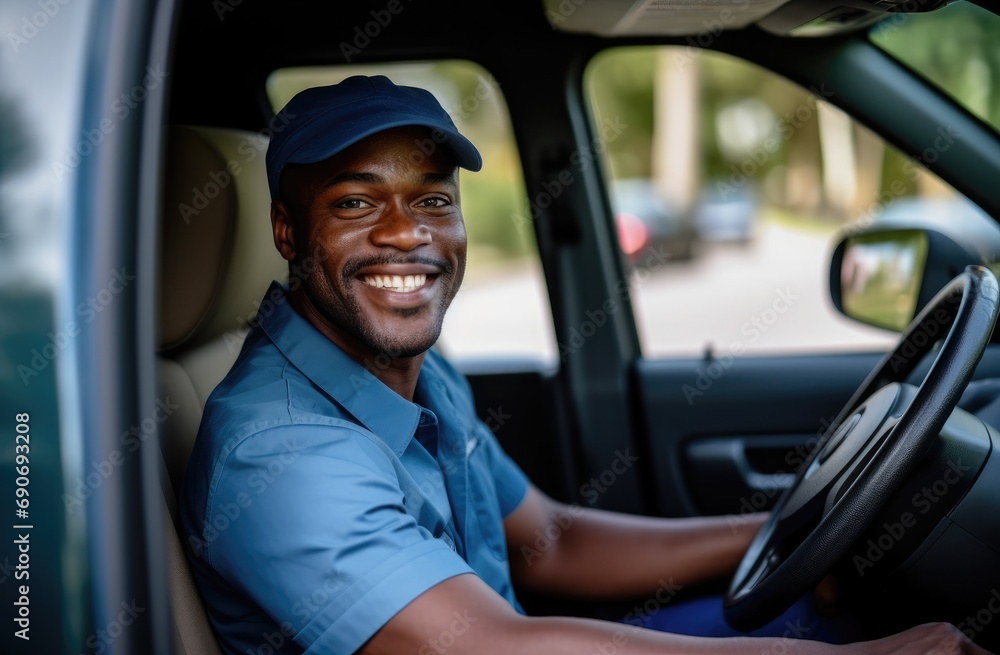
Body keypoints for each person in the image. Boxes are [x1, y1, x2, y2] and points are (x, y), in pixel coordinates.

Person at [179, 74, 990, 655]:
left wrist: (788, 527)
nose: (407, 234)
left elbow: (549, 542)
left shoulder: (408, 366)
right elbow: (490, 642)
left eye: (432, 199)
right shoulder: (280, 452)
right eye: (355, 203)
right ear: (287, 232)